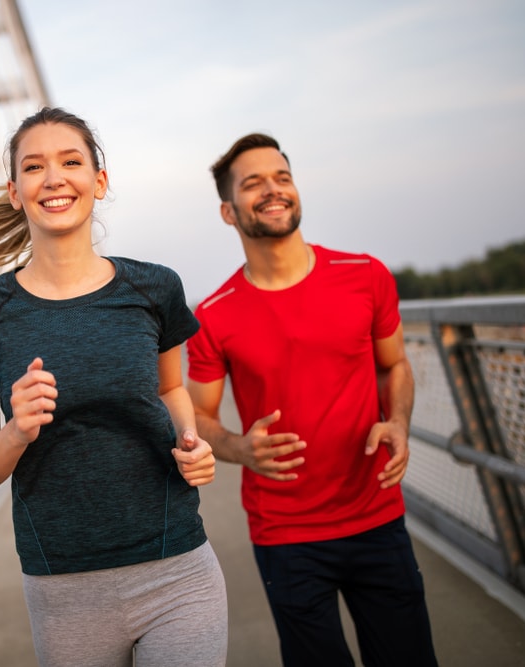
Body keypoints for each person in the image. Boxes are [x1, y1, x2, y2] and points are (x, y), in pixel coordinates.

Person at [0, 107, 228, 667]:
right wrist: (18, 431)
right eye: (34, 167)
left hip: (177, 569)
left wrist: (192, 442)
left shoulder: (155, 287)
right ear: (16, 191)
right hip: (63, 590)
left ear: (98, 181)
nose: (54, 178)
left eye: (71, 162)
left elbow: (172, 392)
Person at [186, 132, 438, 666]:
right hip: (285, 532)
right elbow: (200, 417)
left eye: (282, 177)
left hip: (376, 518)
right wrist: (240, 448)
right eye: (254, 184)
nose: (274, 190)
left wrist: (398, 421)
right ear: (229, 212)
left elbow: (394, 365)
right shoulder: (213, 314)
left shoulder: (365, 276)